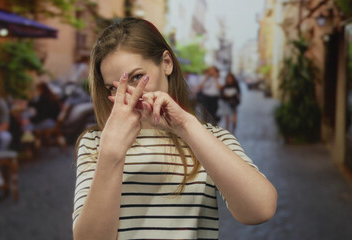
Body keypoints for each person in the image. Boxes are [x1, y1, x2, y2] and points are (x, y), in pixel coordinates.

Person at [72, 18, 277, 240]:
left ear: (167, 63)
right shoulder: (95, 143)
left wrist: (187, 126)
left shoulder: (211, 138)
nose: (129, 95)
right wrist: (111, 155)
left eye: (137, 77)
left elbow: (260, 210)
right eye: (114, 88)